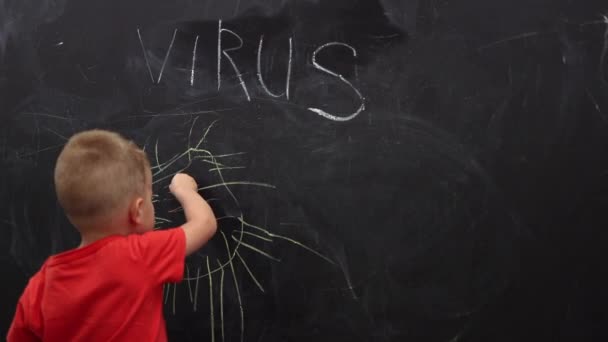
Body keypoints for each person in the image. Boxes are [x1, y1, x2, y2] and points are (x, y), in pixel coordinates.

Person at [7, 129, 217, 341]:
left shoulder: (40, 287)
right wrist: (184, 190)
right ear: (137, 211)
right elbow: (204, 224)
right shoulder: (140, 255)